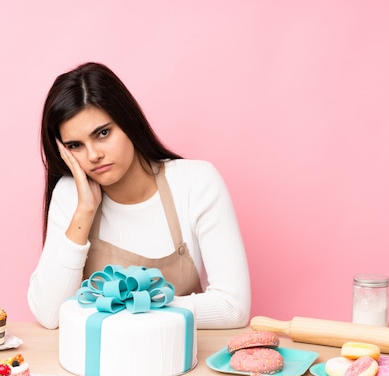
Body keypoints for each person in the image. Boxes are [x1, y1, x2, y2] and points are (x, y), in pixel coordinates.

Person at [27, 62, 250, 330]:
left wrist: (130, 304)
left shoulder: (196, 182)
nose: (93, 155)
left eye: (103, 133)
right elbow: (50, 316)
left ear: (128, 121)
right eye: (76, 146)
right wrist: (84, 211)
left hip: (180, 361)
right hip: (95, 366)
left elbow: (233, 308)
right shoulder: (71, 195)